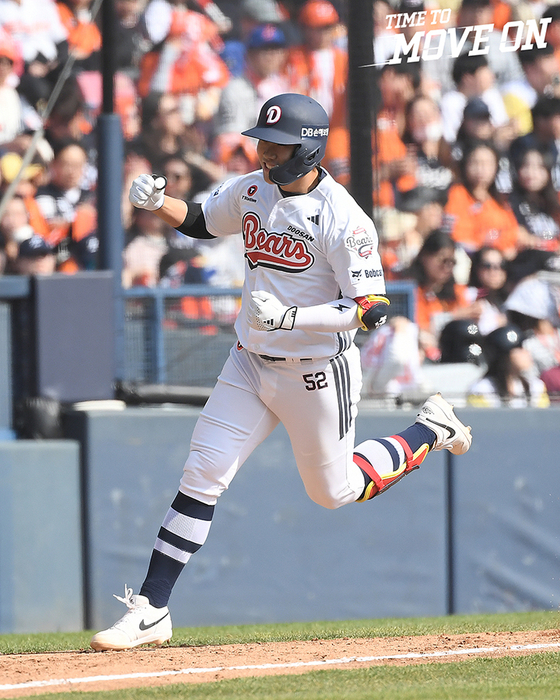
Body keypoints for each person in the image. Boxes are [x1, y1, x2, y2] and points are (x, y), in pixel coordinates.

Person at [90, 93, 473, 651]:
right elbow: (201, 221)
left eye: (277, 143)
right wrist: (160, 204)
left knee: (335, 491)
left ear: (308, 149)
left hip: (317, 370)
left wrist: (295, 316)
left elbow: (371, 309)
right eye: (264, 141)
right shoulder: (253, 188)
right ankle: (152, 609)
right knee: (203, 472)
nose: (265, 151)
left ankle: (430, 429)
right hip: (248, 360)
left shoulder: (344, 218)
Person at [467, 323, 550, 407]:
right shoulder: (482, 390)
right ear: (505, 357)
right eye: (520, 348)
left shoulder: (536, 387)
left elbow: (544, 418)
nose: (527, 353)